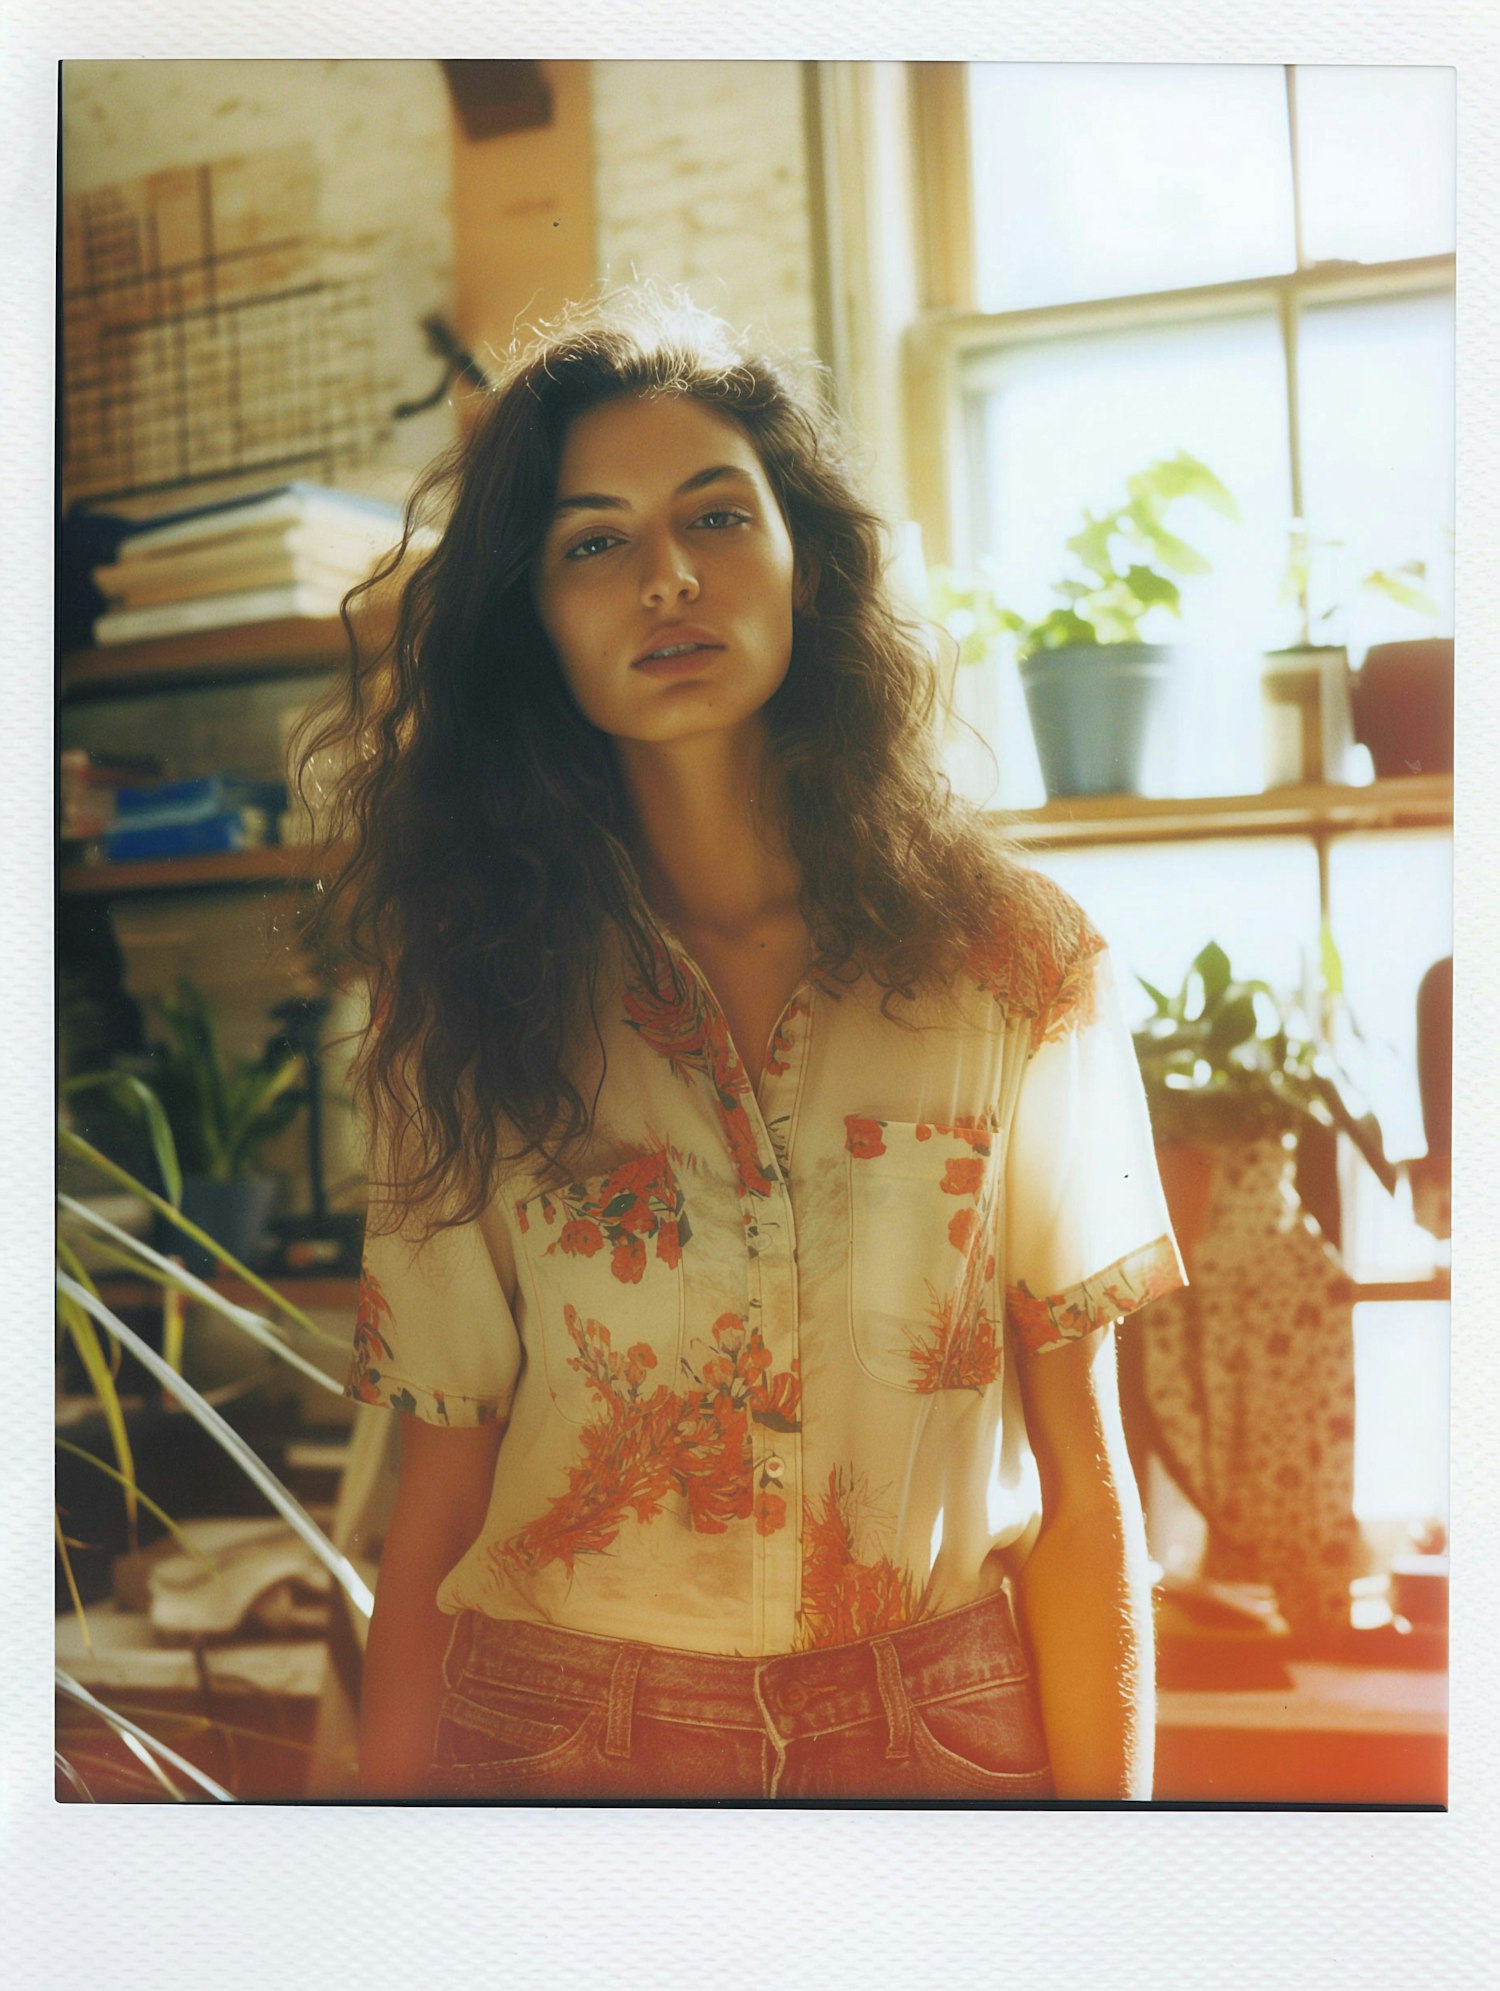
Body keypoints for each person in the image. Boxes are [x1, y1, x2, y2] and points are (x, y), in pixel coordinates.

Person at [302, 291, 1185, 1803]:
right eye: (594, 541)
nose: (666, 580)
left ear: (805, 562)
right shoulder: (465, 998)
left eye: (717, 517)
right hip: (563, 1737)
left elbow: (1084, 1478)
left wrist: (1111, 1880)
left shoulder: (1017, 964)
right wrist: (393, 1886)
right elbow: (436, 1496)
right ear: (535, 618)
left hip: (945, 1730)